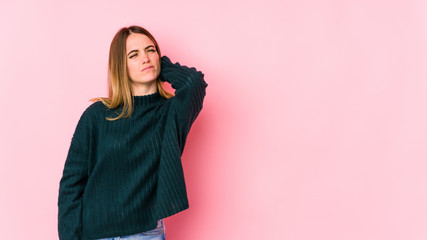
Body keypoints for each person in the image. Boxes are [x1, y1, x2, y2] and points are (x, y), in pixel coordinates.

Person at [57, 25, 207, 240]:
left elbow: (194, 83)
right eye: (133, 55)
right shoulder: (97, 115)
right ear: (121, 66)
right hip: (94, 234)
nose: (145, 58)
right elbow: (70, 186)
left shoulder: (171, 113)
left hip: (145, 234)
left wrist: (158, 65)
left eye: (150, 50)